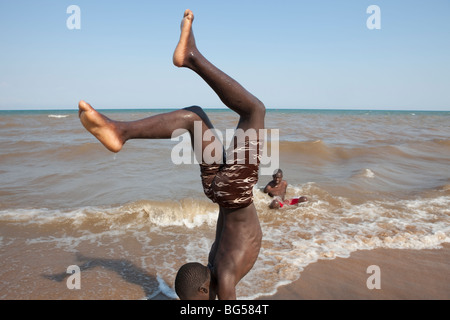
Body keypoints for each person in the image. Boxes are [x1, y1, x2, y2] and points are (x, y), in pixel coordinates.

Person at [78, 9, 264, 300]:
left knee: (253, 111)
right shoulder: (214, 263)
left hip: (233, 196)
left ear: (205, 289)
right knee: (193, 117)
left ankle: (191, 57)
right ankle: (121, 131)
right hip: (216, 193)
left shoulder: (224, 274)